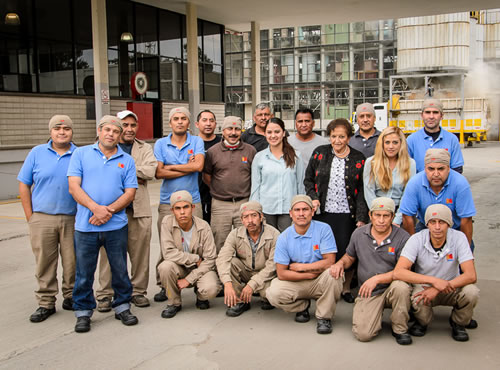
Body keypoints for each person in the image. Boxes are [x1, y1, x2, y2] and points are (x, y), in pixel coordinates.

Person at [67, 115, 138, 333]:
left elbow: (130, 192)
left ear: (119, 135)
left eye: (115, 131)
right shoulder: (81, 154)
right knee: (84, 272)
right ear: (99, 130)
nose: (111, 134)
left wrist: (108, 211)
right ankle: (83, 311)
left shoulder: (126, 160)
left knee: (119, 269)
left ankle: (122, 306)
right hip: (85, 226)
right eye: (107, 130)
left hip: (115, 226)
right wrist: (96, 209)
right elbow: (74, 187)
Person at [18, 115, 77, 323]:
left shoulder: (79, 154)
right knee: (45, 262)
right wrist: (30, 216)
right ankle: (46, 302)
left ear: (72, 131)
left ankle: (70, 296)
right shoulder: (37, 153)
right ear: (50, 131)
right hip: (42, 218)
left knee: (72, 261)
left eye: (66, 128)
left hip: (72, 218)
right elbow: (24, 184)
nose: (62, 132)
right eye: (57, 128)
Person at [96, 110, 157, 311]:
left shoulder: (144, 147)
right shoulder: (104, 148)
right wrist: (132, 173)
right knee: (109, 256)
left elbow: (150, 171)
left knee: (140, 255)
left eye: (133, 125)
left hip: (138, 210)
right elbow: (102, 172)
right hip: (111, 211)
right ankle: (106, 294)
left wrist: (123, 171)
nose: (129, 129)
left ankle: (138, 292)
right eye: (125, 125)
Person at [330, 197, 412, 345]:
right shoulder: (359, 234)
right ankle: (374, 315)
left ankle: (400, 328)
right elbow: (350, 256)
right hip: (369, 291)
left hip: (392, 287)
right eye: (377, 215)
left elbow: (403, 271)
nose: (381, 220)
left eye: (386, 216)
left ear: (393, 217)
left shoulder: (403, 237)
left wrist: (377, 279)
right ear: (370, 215)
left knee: (402, 287)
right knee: (363, 334)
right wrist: (340, 264)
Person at [304, 118, 369, 303]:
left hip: (348, 214)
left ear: (349, 138)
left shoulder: (358, 158)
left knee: (347, 250)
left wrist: (361, 217)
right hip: (323, 212)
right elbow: (308, 180)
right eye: (334, 136)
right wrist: (314, 199)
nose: (337, 140)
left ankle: (346, 288)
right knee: (323, 251)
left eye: (342, 136)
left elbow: (362, 190)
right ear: (329, 137)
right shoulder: (320, 153)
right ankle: (324, 286)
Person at [394, 204, 479, 342]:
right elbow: (399, 272)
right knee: (417, 298)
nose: (437, 227)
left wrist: (439, 287)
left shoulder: (459, 238)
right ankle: (423, 322)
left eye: (442, 222)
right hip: (425, 287)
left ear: (449, 224)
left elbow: (471, 275)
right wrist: (433, 282)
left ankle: (458, 322)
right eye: (433, 222)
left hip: (452, 286)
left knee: (471, 292)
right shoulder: (416, 238)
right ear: (427, 224)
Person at [266, 195, 343, 335]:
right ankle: (301, 306)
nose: (301, 214)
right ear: (291, 213)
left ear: (312, 211)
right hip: (299, 280)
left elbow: (330, 261)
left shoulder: (324, 229)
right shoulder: (284, 237)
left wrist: (302, 268)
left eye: (305, 209)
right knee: (272, 293)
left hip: (319, 279)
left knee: (335, 274)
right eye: (297, 210)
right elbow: (282, 273)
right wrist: (309, 274)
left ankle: (324, 317)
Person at [153, 106, 205, 302]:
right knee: (167, 243)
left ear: (189, 122)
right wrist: (187, 167)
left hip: (193, 200)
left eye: (184, 118)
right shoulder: (160, 144)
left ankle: (198, 284)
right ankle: (163, 283)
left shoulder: (197, 141)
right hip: (167, 202)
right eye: (176, 119)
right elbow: (158, 173)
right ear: (170, 123)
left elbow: (198, 166)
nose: (180, 121)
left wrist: (172, 166)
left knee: (196, 244)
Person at [157, 191, 221, 318]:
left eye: (186, 207)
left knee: (211, 288)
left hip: (200, 268)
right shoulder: (167, 223)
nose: (182, 212)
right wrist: (195, 258)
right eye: (177, 208)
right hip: (180, 267)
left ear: (192, 207)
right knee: (165, 267)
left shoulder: (204, 226)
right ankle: (174, 303)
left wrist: (188, 280)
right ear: (172, 210)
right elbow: (168, 253)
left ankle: (201, 297)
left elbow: (210, 259)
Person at [399, 149, 475, 247]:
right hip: (425, 227)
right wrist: (413, 245)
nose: (436, 174)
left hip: (455, 228)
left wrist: (466, 248)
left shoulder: (460, 183)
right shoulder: (414, 183)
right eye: (431, 169)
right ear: (425, 168)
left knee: (465, 256)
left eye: (440, 169)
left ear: (448, 168)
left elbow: (466, 219)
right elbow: (407, 216)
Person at [216, 201, 280, 317]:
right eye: (246, 217)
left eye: (254, 215)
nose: (250, 221)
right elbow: (222, 258)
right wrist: (227, 283)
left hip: (265, 276)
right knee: (231, 263)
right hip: (246, 271)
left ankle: (263, 296)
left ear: (261, 217)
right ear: (241, 220)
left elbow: (273, 265)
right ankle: (240, 300)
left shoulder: (274, 234)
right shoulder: (235, 234)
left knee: (271, 295)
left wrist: (252, 284)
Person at [203, 116, 257, 252]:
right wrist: (219, 189)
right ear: (223, 131)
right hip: (220, 205)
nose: (233, 133)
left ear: (241, 131)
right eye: (229, 129)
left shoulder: (250, 151)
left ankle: (243, 272)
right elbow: (206, 176)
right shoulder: (212, 152)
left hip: (244, 203)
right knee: (220, 242)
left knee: (245, 242)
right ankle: (220, 272)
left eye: (237, 129)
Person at [250, 117, 305, 232]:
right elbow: (255, 186)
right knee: (268, 243)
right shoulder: (259, 157)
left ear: (283, 133)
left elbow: (301, 185)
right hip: (266, 209)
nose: (273, 135)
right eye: (269, 132)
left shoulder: (296, 156)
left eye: (277, 132)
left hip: (288, 210)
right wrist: (255, 210)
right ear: (264, 134)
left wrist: (301, 207)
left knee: (287, 242)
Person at [363, 126, 416, 225]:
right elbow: (368, 192)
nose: (391, 147)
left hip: (400, 213)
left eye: (395, 142)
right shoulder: (371, 162)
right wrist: (378, 216)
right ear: (382, 144)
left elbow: (408, 194)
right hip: (376, 212)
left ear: (401, 144)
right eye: (387, 142)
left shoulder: (410, 163)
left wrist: (397, 220)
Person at [406, 98, 464, 173]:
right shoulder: (411, 140)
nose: (431, 116)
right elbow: (405, 169)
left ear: (442, 116)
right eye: (427, 112)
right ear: (422, 115)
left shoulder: (452, 140)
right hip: (419, 184)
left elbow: (457, 169)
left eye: (435, 112)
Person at [195, 110, 222, 224]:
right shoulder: (192, 143)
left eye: (211, 120)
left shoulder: (222, 142)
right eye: (204, 120)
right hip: (197, 195)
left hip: (218, 196)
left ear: (215, 124)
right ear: (197, 124)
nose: (208, 124)